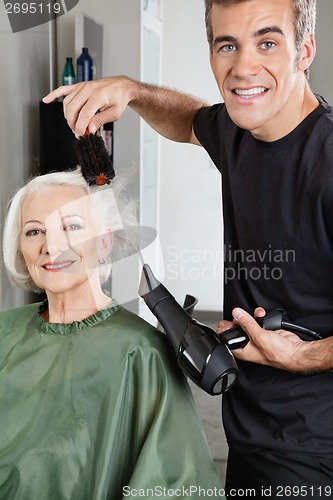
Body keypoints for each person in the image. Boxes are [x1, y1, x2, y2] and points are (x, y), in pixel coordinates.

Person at [43, 0, 333, 496]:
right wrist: (132, 92)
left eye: (267, 42)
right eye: (227, 45)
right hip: (249, 431)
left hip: (313, 448)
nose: (243, 68)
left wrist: (304, 357)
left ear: (304, 49)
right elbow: (190, 119)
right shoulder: (241, 131)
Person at [0, 168, 224, 499]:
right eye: (34, 231)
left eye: (71, 226)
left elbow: (176, 484)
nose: (52, 245)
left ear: (104, 242)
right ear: (21, 248)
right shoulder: (5, 332)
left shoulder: (142, 351)